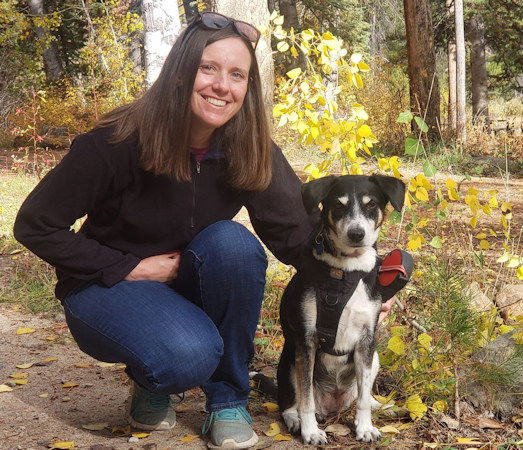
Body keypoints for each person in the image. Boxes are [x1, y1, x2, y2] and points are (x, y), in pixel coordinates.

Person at [14, 12, 396, 449]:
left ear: (247, 88)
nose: (222, 85)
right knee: (185, 356)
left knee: (234, 246)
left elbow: (298, 237)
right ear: (180, 71)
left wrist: (362, 284)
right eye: (208, 68)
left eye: (237, 74)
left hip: (190, 279)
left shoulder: (248, 149)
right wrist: (128, 266)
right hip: (108, 287)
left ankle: (228, 399)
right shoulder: (115, 142)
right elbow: (35, 225)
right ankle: (152, 379)